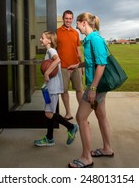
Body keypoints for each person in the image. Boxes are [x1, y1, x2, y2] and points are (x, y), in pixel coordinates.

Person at [67, 13, 114, 168]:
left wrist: (93, 88)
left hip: (96, 85)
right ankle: (107, 148)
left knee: (81, 118)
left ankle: (86, 157)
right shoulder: (91, 39)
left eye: (78, 24)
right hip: (98, 85)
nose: (76, 26)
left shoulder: (94, 39)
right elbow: (92, 62)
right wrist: (78, 65)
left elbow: (101, 64)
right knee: (101, 116)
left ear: (84, 23)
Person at [34, 31, 79, 147]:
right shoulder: (48, 51)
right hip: (51, 87)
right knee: (50, 112)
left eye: (42, 38)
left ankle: (71, 127)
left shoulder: (51, 50)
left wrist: (47, 73)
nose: (40, 39)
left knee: (49, 113)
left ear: (49, 40)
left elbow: (57, 60)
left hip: (53, 88)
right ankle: (49, 138)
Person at [57, 10, 84, 120]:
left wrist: (81, 65)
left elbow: (78, 50)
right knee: (64, 91)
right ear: (63, 19)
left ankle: (83, 115)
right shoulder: (57, 32)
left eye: (70, 18)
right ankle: (68, 113)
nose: (68, 20)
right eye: (66, 18)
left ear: (72, 19)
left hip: (76, 66)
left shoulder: (75, 32)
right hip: (63, 67)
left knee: (79, 90)